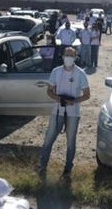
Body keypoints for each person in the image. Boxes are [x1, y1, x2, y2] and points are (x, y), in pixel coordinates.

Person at [38, 47, 90, 178]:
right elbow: (49, 91)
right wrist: (58, 98)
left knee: (71, 141)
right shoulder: (56, 72)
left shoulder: (80, 73)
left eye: (71, 56)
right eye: (67, 55)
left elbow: (87, 94)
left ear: (75, 57)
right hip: (57, 110)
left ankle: (68, 168)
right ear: (62, 56)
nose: (68, 58)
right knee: (49, 138)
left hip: (73, 113)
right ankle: (42, 166)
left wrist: (74, 100)